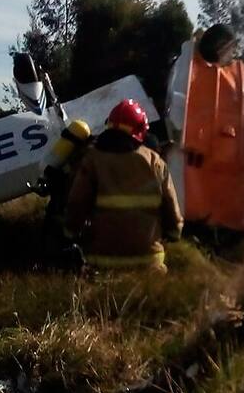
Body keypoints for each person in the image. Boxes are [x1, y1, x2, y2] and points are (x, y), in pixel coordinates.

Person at [64, 99, 184, 273]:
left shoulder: (92, 160)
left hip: (103, 262)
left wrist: (70, 233)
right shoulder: (154, 161)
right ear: (141, 130)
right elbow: (171, 206)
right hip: (149, 262)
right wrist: (174, 234)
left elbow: (77, 204)